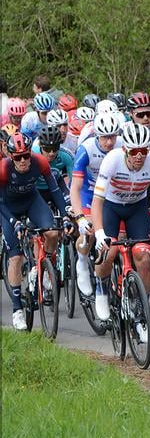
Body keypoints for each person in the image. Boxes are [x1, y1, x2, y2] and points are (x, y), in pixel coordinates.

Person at [91, 124, 150, 336]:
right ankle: (101, 289)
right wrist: (99, 234)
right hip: (111, 206)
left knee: (144, 257)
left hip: (137, 207)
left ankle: (139, 309)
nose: (139, 156)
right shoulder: (112, 160)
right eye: (134, 151)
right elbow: (97, 202)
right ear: (125, 149)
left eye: (143, 151)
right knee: (110, 251)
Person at [0, 133, 68, 330]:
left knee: (52, 233)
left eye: (26, 156)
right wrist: (14, 222)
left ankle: (41, 269)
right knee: (15, 258)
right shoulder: (4, 169)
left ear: (31, 153)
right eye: (18, 157)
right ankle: (17, 309)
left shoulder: (40, 162)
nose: (23, 161)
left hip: (32, 201)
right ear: (10, 156)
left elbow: (55, 190)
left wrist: (64, 215)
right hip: (8, 209)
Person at [70, 113, 123, 296]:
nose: (109, 142)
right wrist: (79, 217)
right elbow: (75, 188)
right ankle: (82, 261)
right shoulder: (86, 149)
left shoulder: (123, 145)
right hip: (89, 192)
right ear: (97, 135)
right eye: (105, 137)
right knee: (90, 230)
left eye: (113, 136)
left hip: (112, 194)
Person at [32, 124, 73, 202]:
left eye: (55, 148)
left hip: (57, 185)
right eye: (47, 149)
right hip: (35, 189)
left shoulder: (67, 155)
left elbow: (75, 182)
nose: (51, 153)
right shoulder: (32, 154)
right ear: (40, 146)